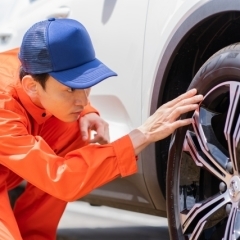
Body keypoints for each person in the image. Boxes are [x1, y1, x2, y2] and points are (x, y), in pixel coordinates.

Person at [0, 18, 203, 240]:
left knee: (76, 126)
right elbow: (62, 178)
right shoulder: (4, 106)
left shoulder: (35, 60)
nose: (82, 98)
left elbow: (67, 87)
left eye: (86, 86)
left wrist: (87, 111)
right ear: (31, 85)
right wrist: (141, 135)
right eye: (70, 90)